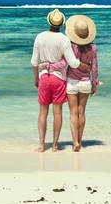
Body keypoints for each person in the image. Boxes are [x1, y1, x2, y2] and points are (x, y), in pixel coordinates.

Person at [31, 9, 90, 152]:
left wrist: (36, 79)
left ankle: (42, 145)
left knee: (43, 112)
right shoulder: (64, 39)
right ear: (62, 24)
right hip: (59, 79)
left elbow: (34, 62)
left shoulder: (39, 37)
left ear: (49, 21)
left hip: (44, 77)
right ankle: (55, 145)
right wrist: (85, 66)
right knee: (57, 112)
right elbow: (73, 63)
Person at [39, 15, 101, 152]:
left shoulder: (71, 46)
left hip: (71, 83)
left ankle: (75, 142)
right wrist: (95, 83)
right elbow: (95, 66)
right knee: (82, 113)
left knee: (73, 113)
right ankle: (80, 140)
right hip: (85, 83)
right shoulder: (93, 47)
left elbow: (64, 63)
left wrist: (48, 66)